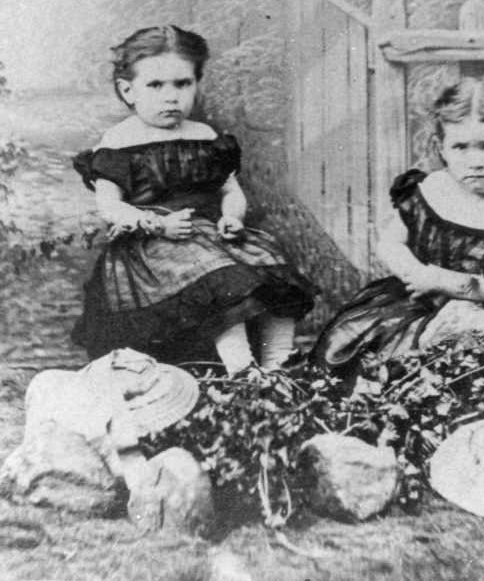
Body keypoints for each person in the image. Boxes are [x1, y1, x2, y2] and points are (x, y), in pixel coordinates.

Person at [72, 25, 317, 374]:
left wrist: (232, 216)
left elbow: (229, 190)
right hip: (152, 244)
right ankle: (241, 368)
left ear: (196, 83)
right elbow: (110, 206)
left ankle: (278, 360)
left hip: (210, 235)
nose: (171, 97)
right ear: (128, 90)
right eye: (155, 85)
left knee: (271, 262)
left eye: (182, 84)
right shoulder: (118, 143)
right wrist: (156, 223)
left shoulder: (204, 136)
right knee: (220, 278)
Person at [312, 74, 484, 373]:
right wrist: (415, 273)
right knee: (356, 350)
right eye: (460, 147)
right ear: (440, 147)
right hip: (414, 306)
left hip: (482, 314)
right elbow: (391, 242)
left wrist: (441, 281)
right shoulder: (432, 189)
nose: (475, 160)